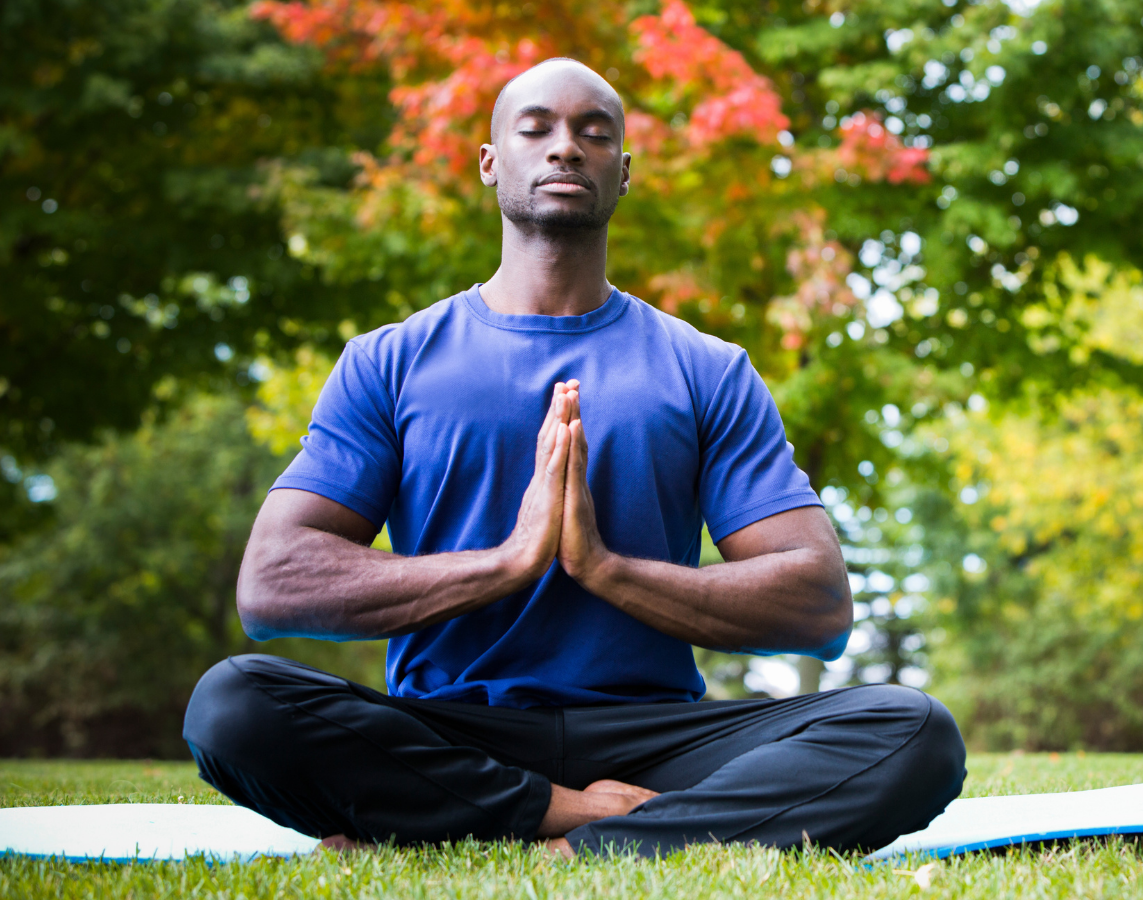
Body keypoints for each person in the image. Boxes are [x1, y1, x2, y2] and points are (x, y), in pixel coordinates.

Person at [182, 58, 966, 858]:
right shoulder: (389, 361)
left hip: (656, 738)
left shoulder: (706, 368)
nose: (566, 149)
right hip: (452, 730)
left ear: (622, 174)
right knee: (232, 704)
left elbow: (820, 604)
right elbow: (273, 584)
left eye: (595, 134)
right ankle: (577, 819)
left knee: (914, 732)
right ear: (491, 163)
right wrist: (509, 563)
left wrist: (602, 568)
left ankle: (482, 827)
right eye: (537, 130)